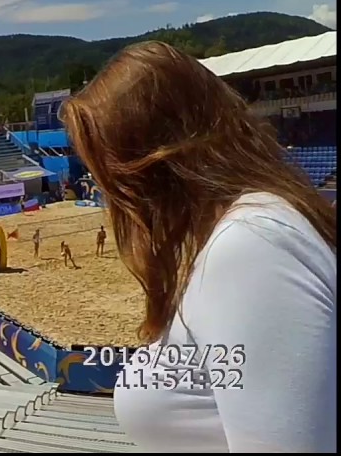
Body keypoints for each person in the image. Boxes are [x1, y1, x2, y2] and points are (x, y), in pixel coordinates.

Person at [63, 40, 336, 453]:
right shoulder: (248, 233)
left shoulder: (252, 246)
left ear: (150, 164)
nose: (108, 194)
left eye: (107, 172)